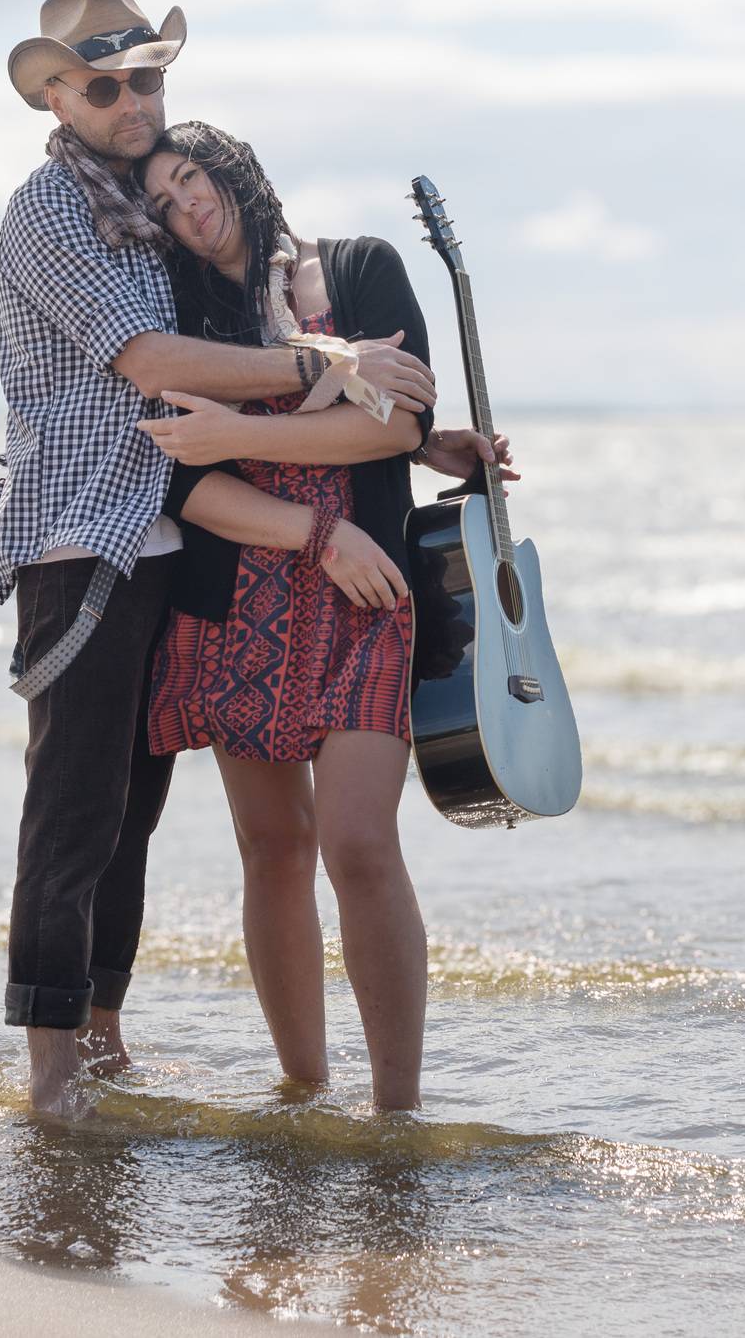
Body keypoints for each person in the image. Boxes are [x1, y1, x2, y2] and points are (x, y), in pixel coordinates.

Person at [0, 0, 440, 1115]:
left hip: (172, 549)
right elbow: (155, 370)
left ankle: (107, 1039)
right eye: (106, 87)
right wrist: (326, 368)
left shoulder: (153, 223)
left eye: (147, 80)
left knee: (133, 814)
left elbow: (343, 414)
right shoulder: (52, 211)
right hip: (85, 531)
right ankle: (53, 1071)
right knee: (79, 806)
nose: (134, 103)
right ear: (57, 96)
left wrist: (423, 441)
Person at [135, 123, 518, 1110]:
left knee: (358, 843)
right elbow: (183, 482)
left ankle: (397, 1110)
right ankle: (301, 1092)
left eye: (192, 177)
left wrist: (236, 429)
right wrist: (331, 409)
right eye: (165, 202)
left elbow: (398, 424)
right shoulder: (180, 308)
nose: (188, 206)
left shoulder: (360, 266)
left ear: (234, 169)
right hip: (237, 600)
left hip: (368, 590)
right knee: (272, 848)